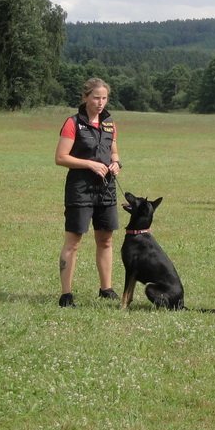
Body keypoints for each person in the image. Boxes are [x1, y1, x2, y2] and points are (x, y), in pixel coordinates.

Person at [54, 77, 123, 307]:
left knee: (106, 240)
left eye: (104, 98)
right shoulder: (73, 123)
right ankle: (66, 294)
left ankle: (106, 289)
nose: (100, 102)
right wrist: (90, 164)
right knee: (73, 242)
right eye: (96, 98)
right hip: (80, 189)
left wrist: (116, 163)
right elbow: (61, 157)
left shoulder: (109, 123)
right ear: (85, 97)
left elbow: (114, 152)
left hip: (106, 189)